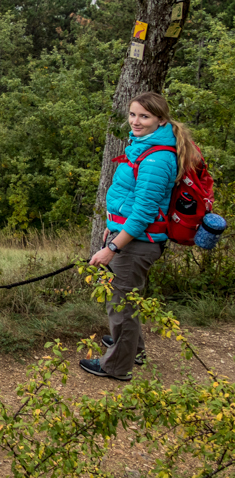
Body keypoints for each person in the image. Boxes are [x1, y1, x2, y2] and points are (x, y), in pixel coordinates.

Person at [79, 91, 200, 381]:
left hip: (137, 245)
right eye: (132, 114)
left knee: (121, 307)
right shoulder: (142, 145)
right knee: (126, 301)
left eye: (144, 116)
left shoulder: (157, 159)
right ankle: (133, 350)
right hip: (129, 236)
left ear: (160, 120)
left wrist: (112, 249)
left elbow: (145, 213)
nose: (136, 121)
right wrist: (113, 224)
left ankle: (117, 367)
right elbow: (132, 200)